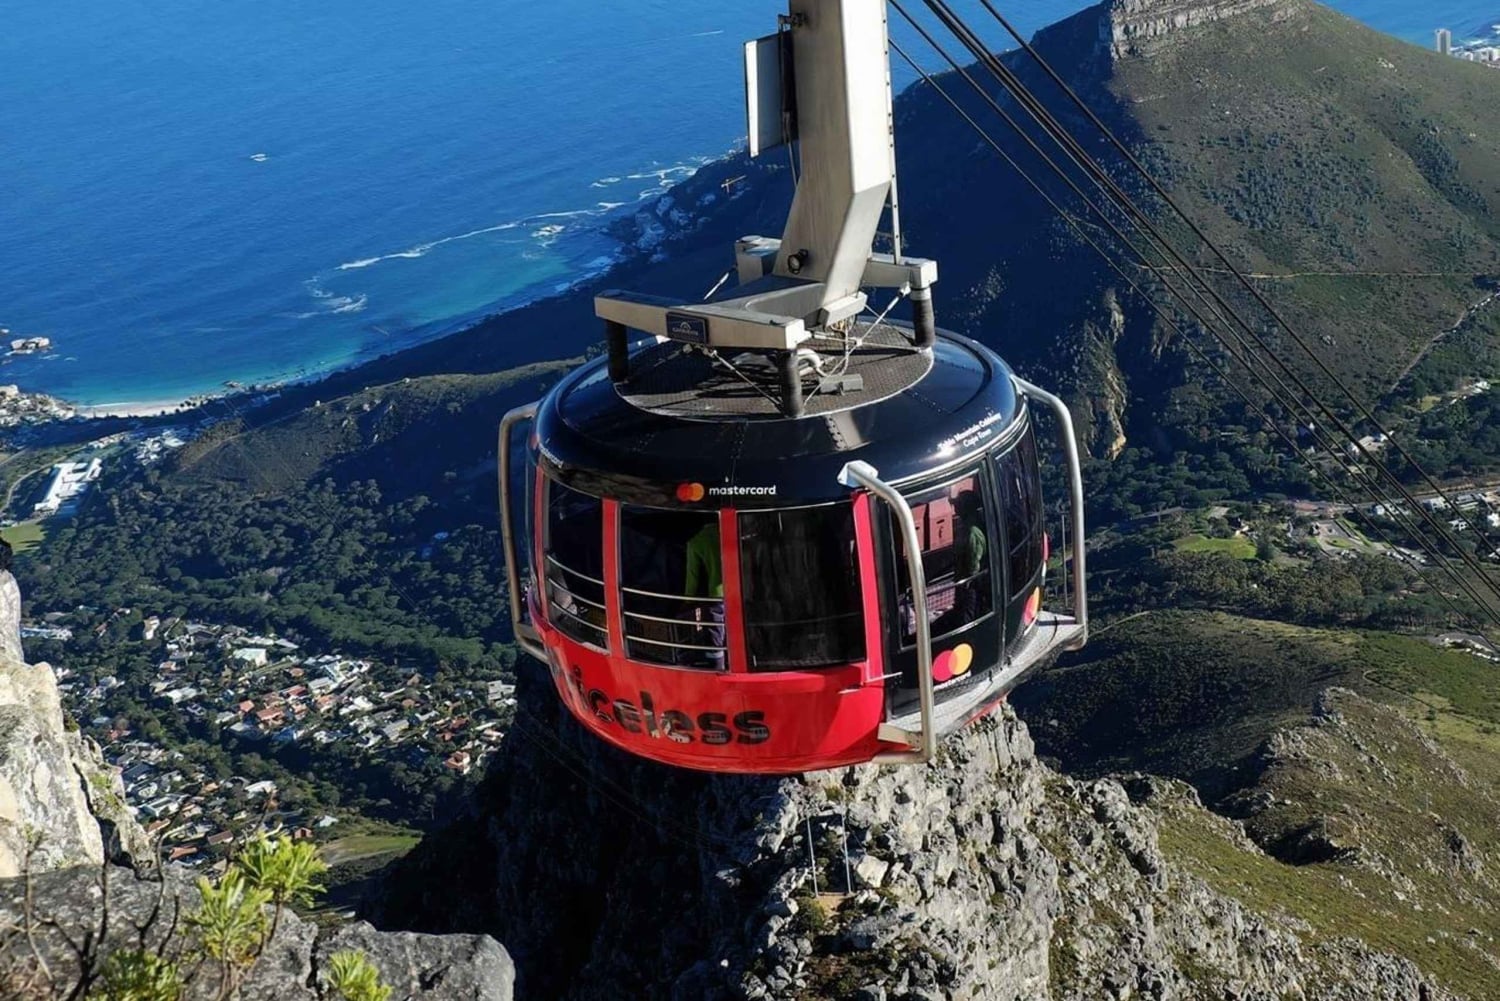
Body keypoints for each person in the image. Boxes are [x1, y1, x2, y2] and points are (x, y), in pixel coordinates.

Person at [684, 519, 725, 668]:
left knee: (715, 633)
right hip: (742, 592)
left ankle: (718, 666)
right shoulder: (734, 532)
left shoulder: (696, 541)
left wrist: (688, 600)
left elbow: (692, 577)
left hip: (716, 595)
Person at [951, 490, 988, 623]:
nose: (955, 508)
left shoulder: (972, 531)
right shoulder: (968, 525)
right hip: (964, 579)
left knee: (967, 613)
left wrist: (966, 583)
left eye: (958, 505)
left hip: (969, 584)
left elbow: (974, 563)